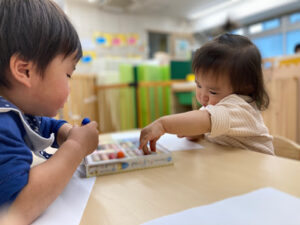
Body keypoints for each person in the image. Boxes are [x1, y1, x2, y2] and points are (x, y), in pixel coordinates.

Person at [0, 0, 99, 224]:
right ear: (25, 71)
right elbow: (16, 207)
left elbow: (45, 126)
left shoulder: (21, 111)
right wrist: (76, 147)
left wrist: (67, 133)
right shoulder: (2, 122)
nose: (70, 85)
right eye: (68, 75)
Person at [139, 33, 274, 156]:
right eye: (198, 85)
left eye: (213, 91)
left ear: (245, 87)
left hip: (258, 171)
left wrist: (163, 125)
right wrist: (197, 132)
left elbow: (205, 119)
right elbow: (207, 126)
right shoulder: (216, 106)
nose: (202, 96)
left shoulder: (240, 108)